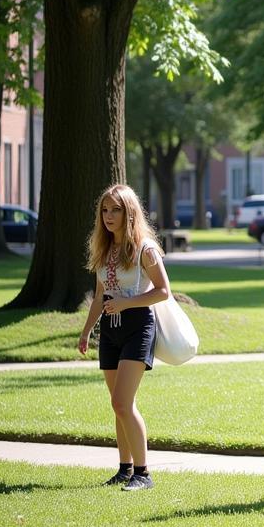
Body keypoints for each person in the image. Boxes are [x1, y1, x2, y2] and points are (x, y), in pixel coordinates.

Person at [77, 183, 172, 491]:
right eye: (104, 210)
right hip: (110, 329)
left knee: (122, 402)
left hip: (138, 325)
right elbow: (100, 295)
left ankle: (144, 475)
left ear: (129, 212)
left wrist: (126, 303)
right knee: (117, 405)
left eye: (115, 209)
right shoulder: (104, 248)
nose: (108, 215)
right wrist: (86, 330)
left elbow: (163, 292)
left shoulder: (145, 248)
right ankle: (124, 469)